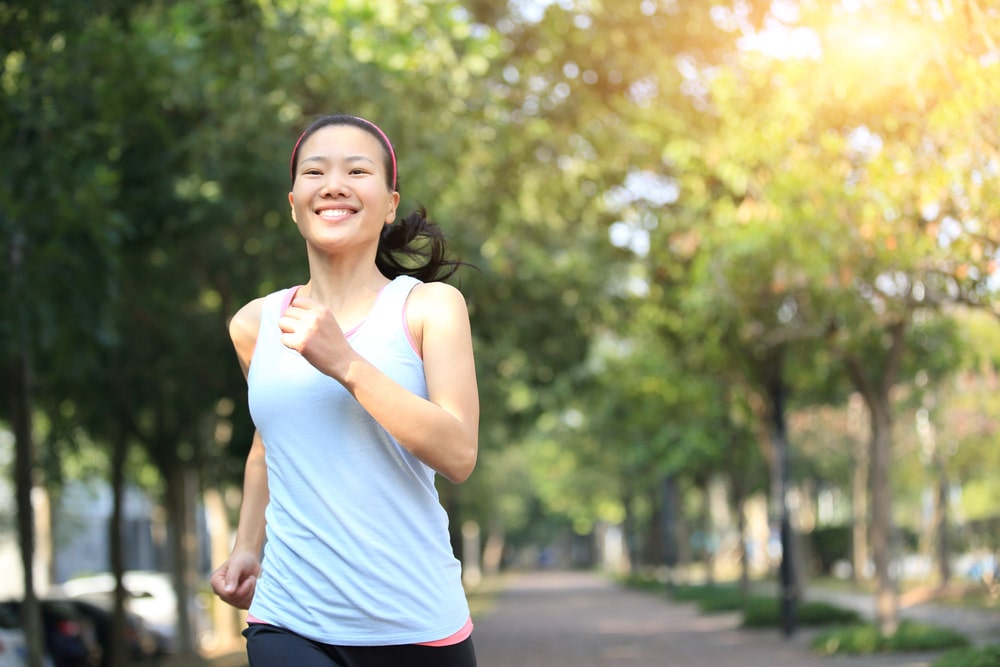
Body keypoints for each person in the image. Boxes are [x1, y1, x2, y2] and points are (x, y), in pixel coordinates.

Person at [210, 114, 479, 667]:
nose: (333, 184)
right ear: (293, 203)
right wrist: (245, 547)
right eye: (315, 171)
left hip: (415, 623)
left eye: (357, 170)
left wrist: (347, 364)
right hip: (289, 617)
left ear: (388, 203)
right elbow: (270, 444)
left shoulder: (428, 308)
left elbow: (458, 454)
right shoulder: (253, 324)